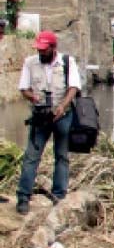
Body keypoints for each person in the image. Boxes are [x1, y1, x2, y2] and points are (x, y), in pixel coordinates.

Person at [16, 31, 81, 215]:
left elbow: (73, 88)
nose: (41, 53)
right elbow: (23, 89)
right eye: (39, 50)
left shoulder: (68, 62)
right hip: (40, 116)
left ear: (53, 48)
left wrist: (62, 106)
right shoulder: (30, 63)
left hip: (63, 116)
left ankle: (59, 196)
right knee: (31, 157)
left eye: (45, 50)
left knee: (61, 157)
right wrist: (34, 97)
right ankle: (23, 197)